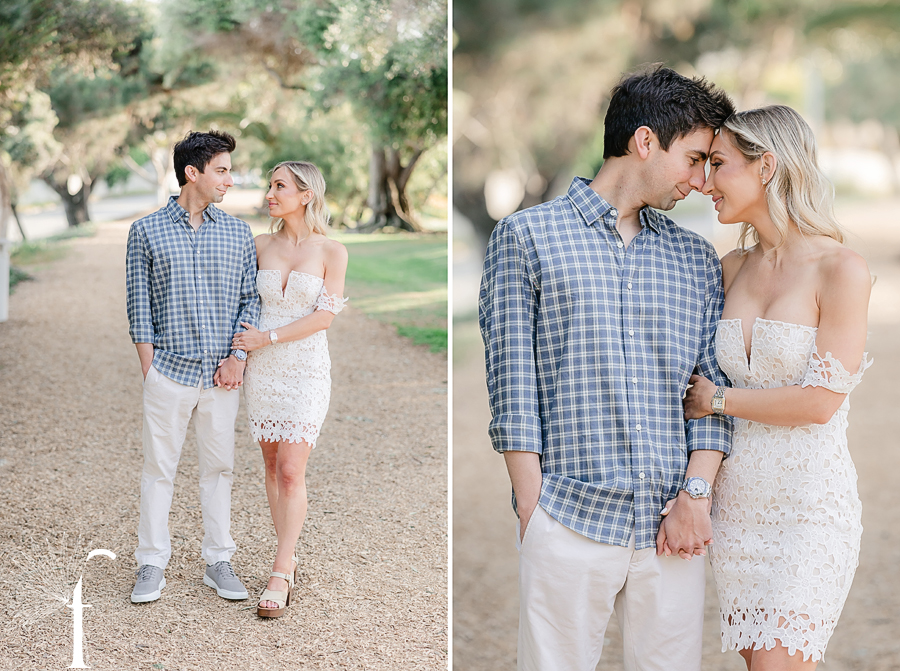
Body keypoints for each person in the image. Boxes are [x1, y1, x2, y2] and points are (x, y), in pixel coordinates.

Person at [478, 65, 735, 671]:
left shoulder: (695, 257)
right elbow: (512, 383)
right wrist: (531, 506)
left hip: (671, 522)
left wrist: (695, 495)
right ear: (645, 141)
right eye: (695, 158)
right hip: (566, 514)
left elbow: (711, 389)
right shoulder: (526, 237)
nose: (701, 180)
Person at [681, 105, 872, 670]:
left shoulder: (841, 269)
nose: (705, 182)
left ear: (765, 167)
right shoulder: (730, 268)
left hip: (809, 507)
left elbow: (819, 403)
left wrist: (715, 401)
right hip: (736, 508)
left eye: (718, 164)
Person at [126, 130, 260, 604]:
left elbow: (250, 299)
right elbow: (138, 305)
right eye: (221, 170)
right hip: (169, 373)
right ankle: (150, 564)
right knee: (158, 470)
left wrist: (237, 358)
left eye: (229, 170)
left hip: (221, 376)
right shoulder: (145, 232)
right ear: (193, 173)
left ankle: (218, 560)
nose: (230, 179)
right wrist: (151, 369)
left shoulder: (239, 233)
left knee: (218, 469)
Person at [230, 161, 348, 618]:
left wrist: (269, 338)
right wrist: (243, 352)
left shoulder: (332, 251)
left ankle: (281, 569)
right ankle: (289, 551)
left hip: (305, 367)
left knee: (292, 470)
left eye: (280, 186)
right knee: (272, 463)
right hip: (262, 371)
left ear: (306, 195)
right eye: (270, 185)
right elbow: (242, 302)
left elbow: (325, 316)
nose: (270, 193)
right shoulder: (258, 245)